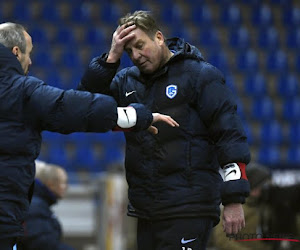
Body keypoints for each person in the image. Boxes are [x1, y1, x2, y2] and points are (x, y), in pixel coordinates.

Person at [79, 10, 251, 250]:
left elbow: (229, 135)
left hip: (189, 208)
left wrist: (233, 199)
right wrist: (111, 58)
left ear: (159, 37)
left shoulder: (200, 75)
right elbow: (86, 109)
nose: (136, 56)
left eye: (140, 45)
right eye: (129, 51)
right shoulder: (125, 81)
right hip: (146, 211)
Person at [0, 22, 179, 249]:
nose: (31, 61)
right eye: (29, 53)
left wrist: (110, 60)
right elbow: (73, 108)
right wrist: (137, 115)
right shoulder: (20, 90)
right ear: (16, 52)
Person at [19, 160, 74, 250]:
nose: (66, 187)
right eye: (63, 182)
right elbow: (42, 244)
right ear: (51, 184)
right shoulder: (35, 206)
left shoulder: (40, 204)